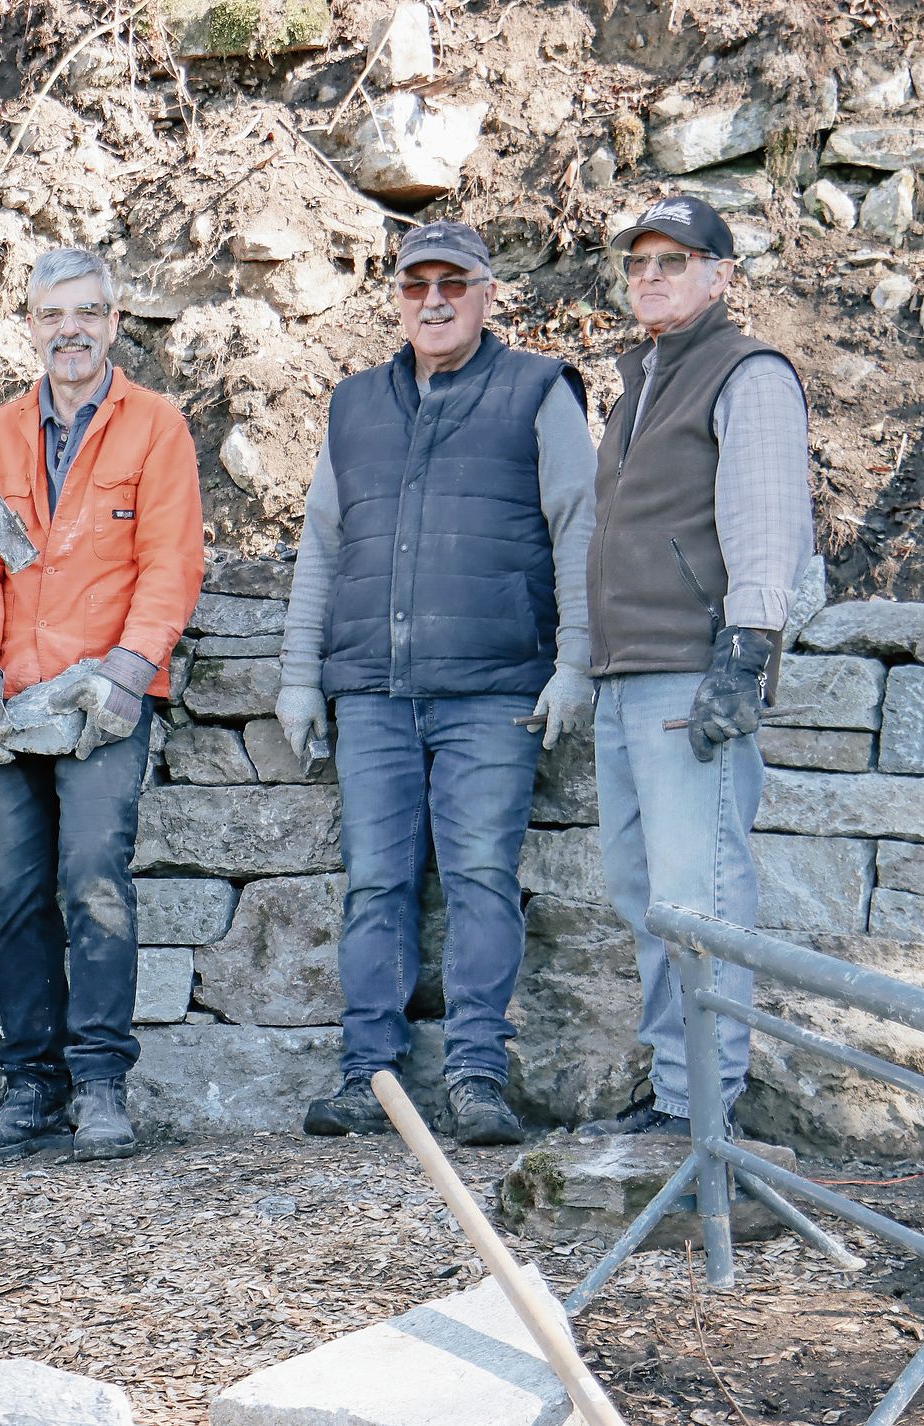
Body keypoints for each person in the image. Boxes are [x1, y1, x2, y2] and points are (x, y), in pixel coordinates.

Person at [278, 221, 596, 1148]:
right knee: (374, 884)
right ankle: (369, 1080)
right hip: (372, 692)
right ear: (398, 297)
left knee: (481, 880)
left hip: (495, 691)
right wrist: (300, 677)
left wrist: (575, 662)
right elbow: (323, 547)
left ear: (488, 293)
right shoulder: (354, 406)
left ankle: (476, 1080)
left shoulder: (539, 391)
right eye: (416, 285)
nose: (434, 301)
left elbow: (581, 526)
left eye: (453, 284)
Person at [0, 247, 204, 1164]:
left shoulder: (155, 426)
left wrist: (129, 672)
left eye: (88, 313)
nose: (72, 331)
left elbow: (171, 563)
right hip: (14, 699)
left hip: (100, 701)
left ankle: (99, 1084)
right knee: (14, 894)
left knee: (94, 880)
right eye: (54, 316)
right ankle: (30, 1090)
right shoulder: (0, 434)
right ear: (30, 327)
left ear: (115, 323)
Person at [580, 194, 813, 1137]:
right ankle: (680, 1092)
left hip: (690, 672)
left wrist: (745, 652)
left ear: (722, 275)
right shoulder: (644, 379)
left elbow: (768, 521)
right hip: (624, 671)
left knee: (700, 891)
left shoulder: (745, 371)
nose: (651, 276)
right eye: (639, 263)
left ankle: (708, 1108)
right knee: (647, 900)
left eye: (674, 261)